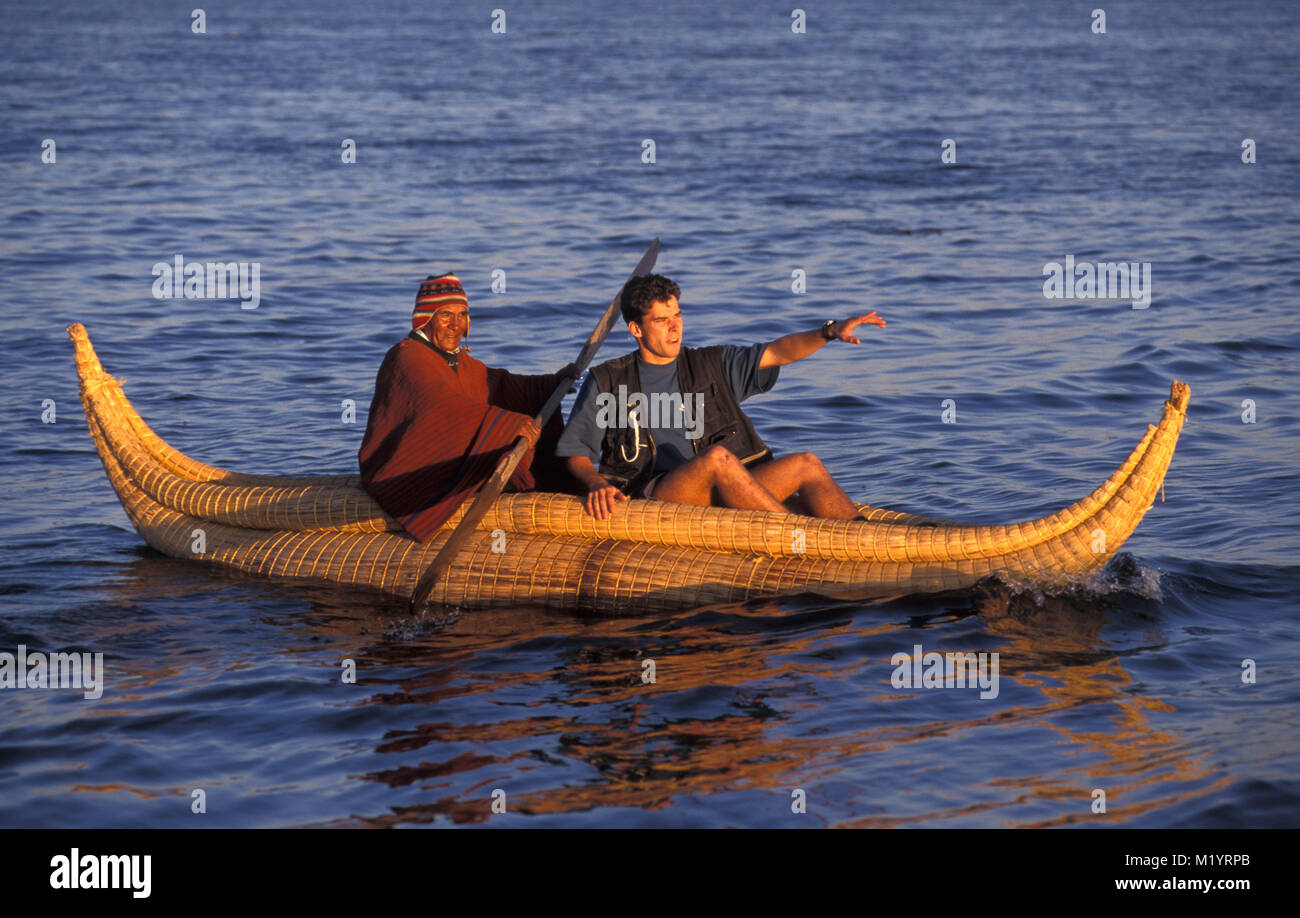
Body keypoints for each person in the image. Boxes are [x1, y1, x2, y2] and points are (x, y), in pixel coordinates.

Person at [557, 273, 885, 521]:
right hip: (658, 493)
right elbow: (576, 453)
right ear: (636, 330)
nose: (674, 328)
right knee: (717, 459)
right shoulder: (608, 380)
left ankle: (866, 540)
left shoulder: (711, 364)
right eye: (661, 320)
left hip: (729, 484)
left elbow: (777, 353)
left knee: (807, 464)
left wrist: (828, 332)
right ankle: (795, 538)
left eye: (677, 316)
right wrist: (596, 484)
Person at [358, 272, 573, 540]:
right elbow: (437, 407)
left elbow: (496, 386)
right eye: (446, 314)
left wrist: (549, 385)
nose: (456, 325)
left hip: (440, 459)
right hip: (401, 471)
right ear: (425, 318)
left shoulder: (455, 358)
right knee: (505, 427)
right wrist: (508, 426)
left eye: (462, 315)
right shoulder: (407, 357)